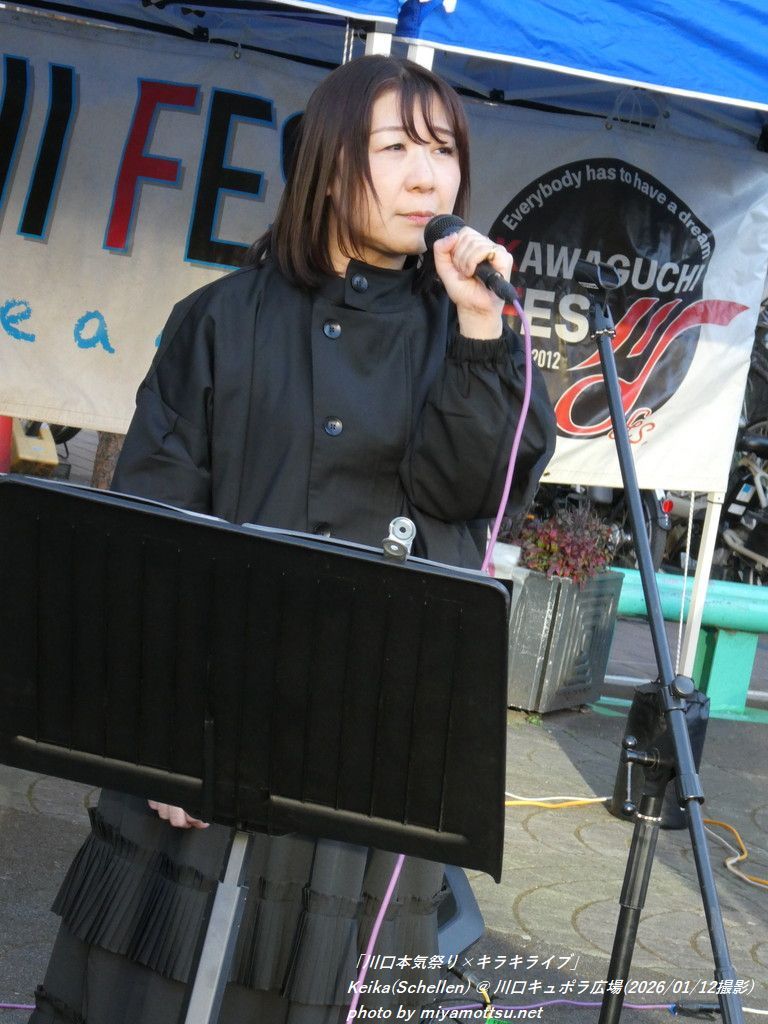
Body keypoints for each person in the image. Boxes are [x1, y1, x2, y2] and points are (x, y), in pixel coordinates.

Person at [29, 54, 555, 1024]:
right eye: (396, 147)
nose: (427, 174)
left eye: (444, 150)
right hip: (208, 723)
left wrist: (482, 329)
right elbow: (149, 532)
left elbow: (470, 492)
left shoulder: (473, 331)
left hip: (370, 744)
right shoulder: (221, 321)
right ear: (329, 163)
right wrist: (166, 738)